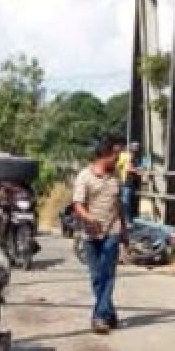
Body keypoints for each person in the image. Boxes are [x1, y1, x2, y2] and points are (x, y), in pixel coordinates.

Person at [73, 137, 128, 335]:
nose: (118, 159)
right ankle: (108, 312)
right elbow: (78, 205)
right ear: (106, 154)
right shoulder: (84, 177)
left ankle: (99, 316)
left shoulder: (115, 178)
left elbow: (119, 205)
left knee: (108, 275)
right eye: (116, 155)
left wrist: (125, 230)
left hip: (111, 232)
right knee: (97, 277)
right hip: (90, 234)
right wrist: (89, 219)